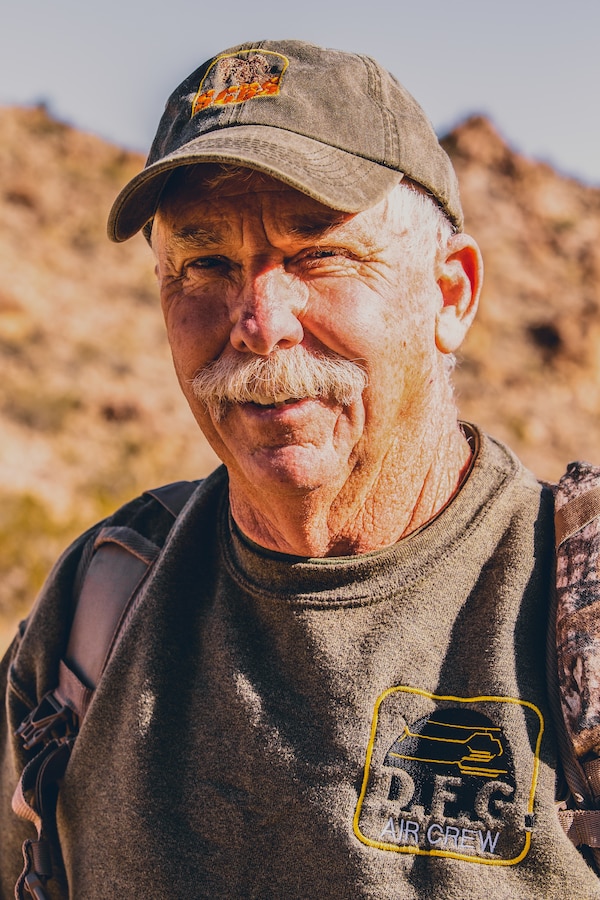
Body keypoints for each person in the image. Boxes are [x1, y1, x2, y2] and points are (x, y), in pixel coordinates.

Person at [0, 39, 597, 899]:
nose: (258, 320)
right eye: (204, 264)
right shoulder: (95, 608)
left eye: (320, 254)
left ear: (452, 293)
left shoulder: (575, 611)